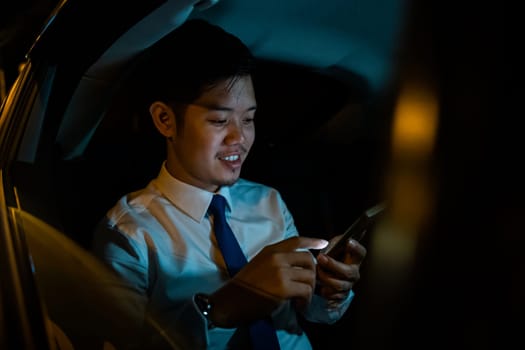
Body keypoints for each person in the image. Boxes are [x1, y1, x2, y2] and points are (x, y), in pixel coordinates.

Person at [92, 18, 367, 350]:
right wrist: (219, 310)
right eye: (220, 120)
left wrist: (329, 291)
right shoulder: (129, 234)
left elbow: (312, 313)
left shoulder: (269, 202)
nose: (240, 138)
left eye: (248, 119)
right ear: (165, 119)